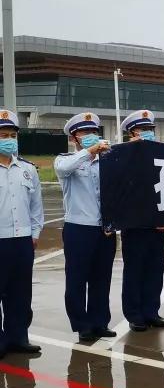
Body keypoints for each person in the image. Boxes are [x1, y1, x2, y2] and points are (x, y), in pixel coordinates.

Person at [55, 112, 117, 343]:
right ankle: (82, 324)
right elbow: (63, 170)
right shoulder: (65, 160)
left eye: (93, 132)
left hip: (105, 229)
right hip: (79, 228)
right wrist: (89, 151)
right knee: (77, 279)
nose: (91, 136)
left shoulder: (107, 162)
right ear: (74, 138)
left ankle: (100, 322)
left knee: (102, 278)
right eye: (85, 133)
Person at [118, 110, 164, 331]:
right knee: (135, 270)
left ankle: (151, 311)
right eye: (143, 130)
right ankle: (134, 314)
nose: (148, 134)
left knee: (155, 269)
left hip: (157, 225)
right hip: (135, 225)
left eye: (150, 130)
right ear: (132, 133)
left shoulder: (160, 155)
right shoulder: (121, 156)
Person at [0, 108, 43, 357]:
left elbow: (36, 205)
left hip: (22, 241)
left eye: (12, 135)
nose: (8, 139)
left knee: (20, 293)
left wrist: (35, 232)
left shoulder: (28, 169)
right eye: (3, 134)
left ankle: (18, 338)